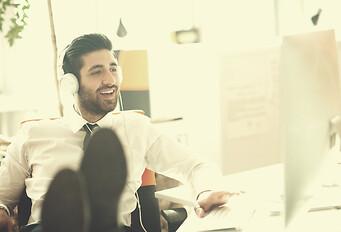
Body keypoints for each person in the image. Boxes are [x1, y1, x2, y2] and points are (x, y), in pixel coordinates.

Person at [0, 33, 238, 232]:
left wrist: (206, 190)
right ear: (70, 84)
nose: (110, 80)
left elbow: (197, 166)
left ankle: (96, 213)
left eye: (113, 69)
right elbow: (2, 196)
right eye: (97, 72)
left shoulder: (135, 127)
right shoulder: (34, 134)